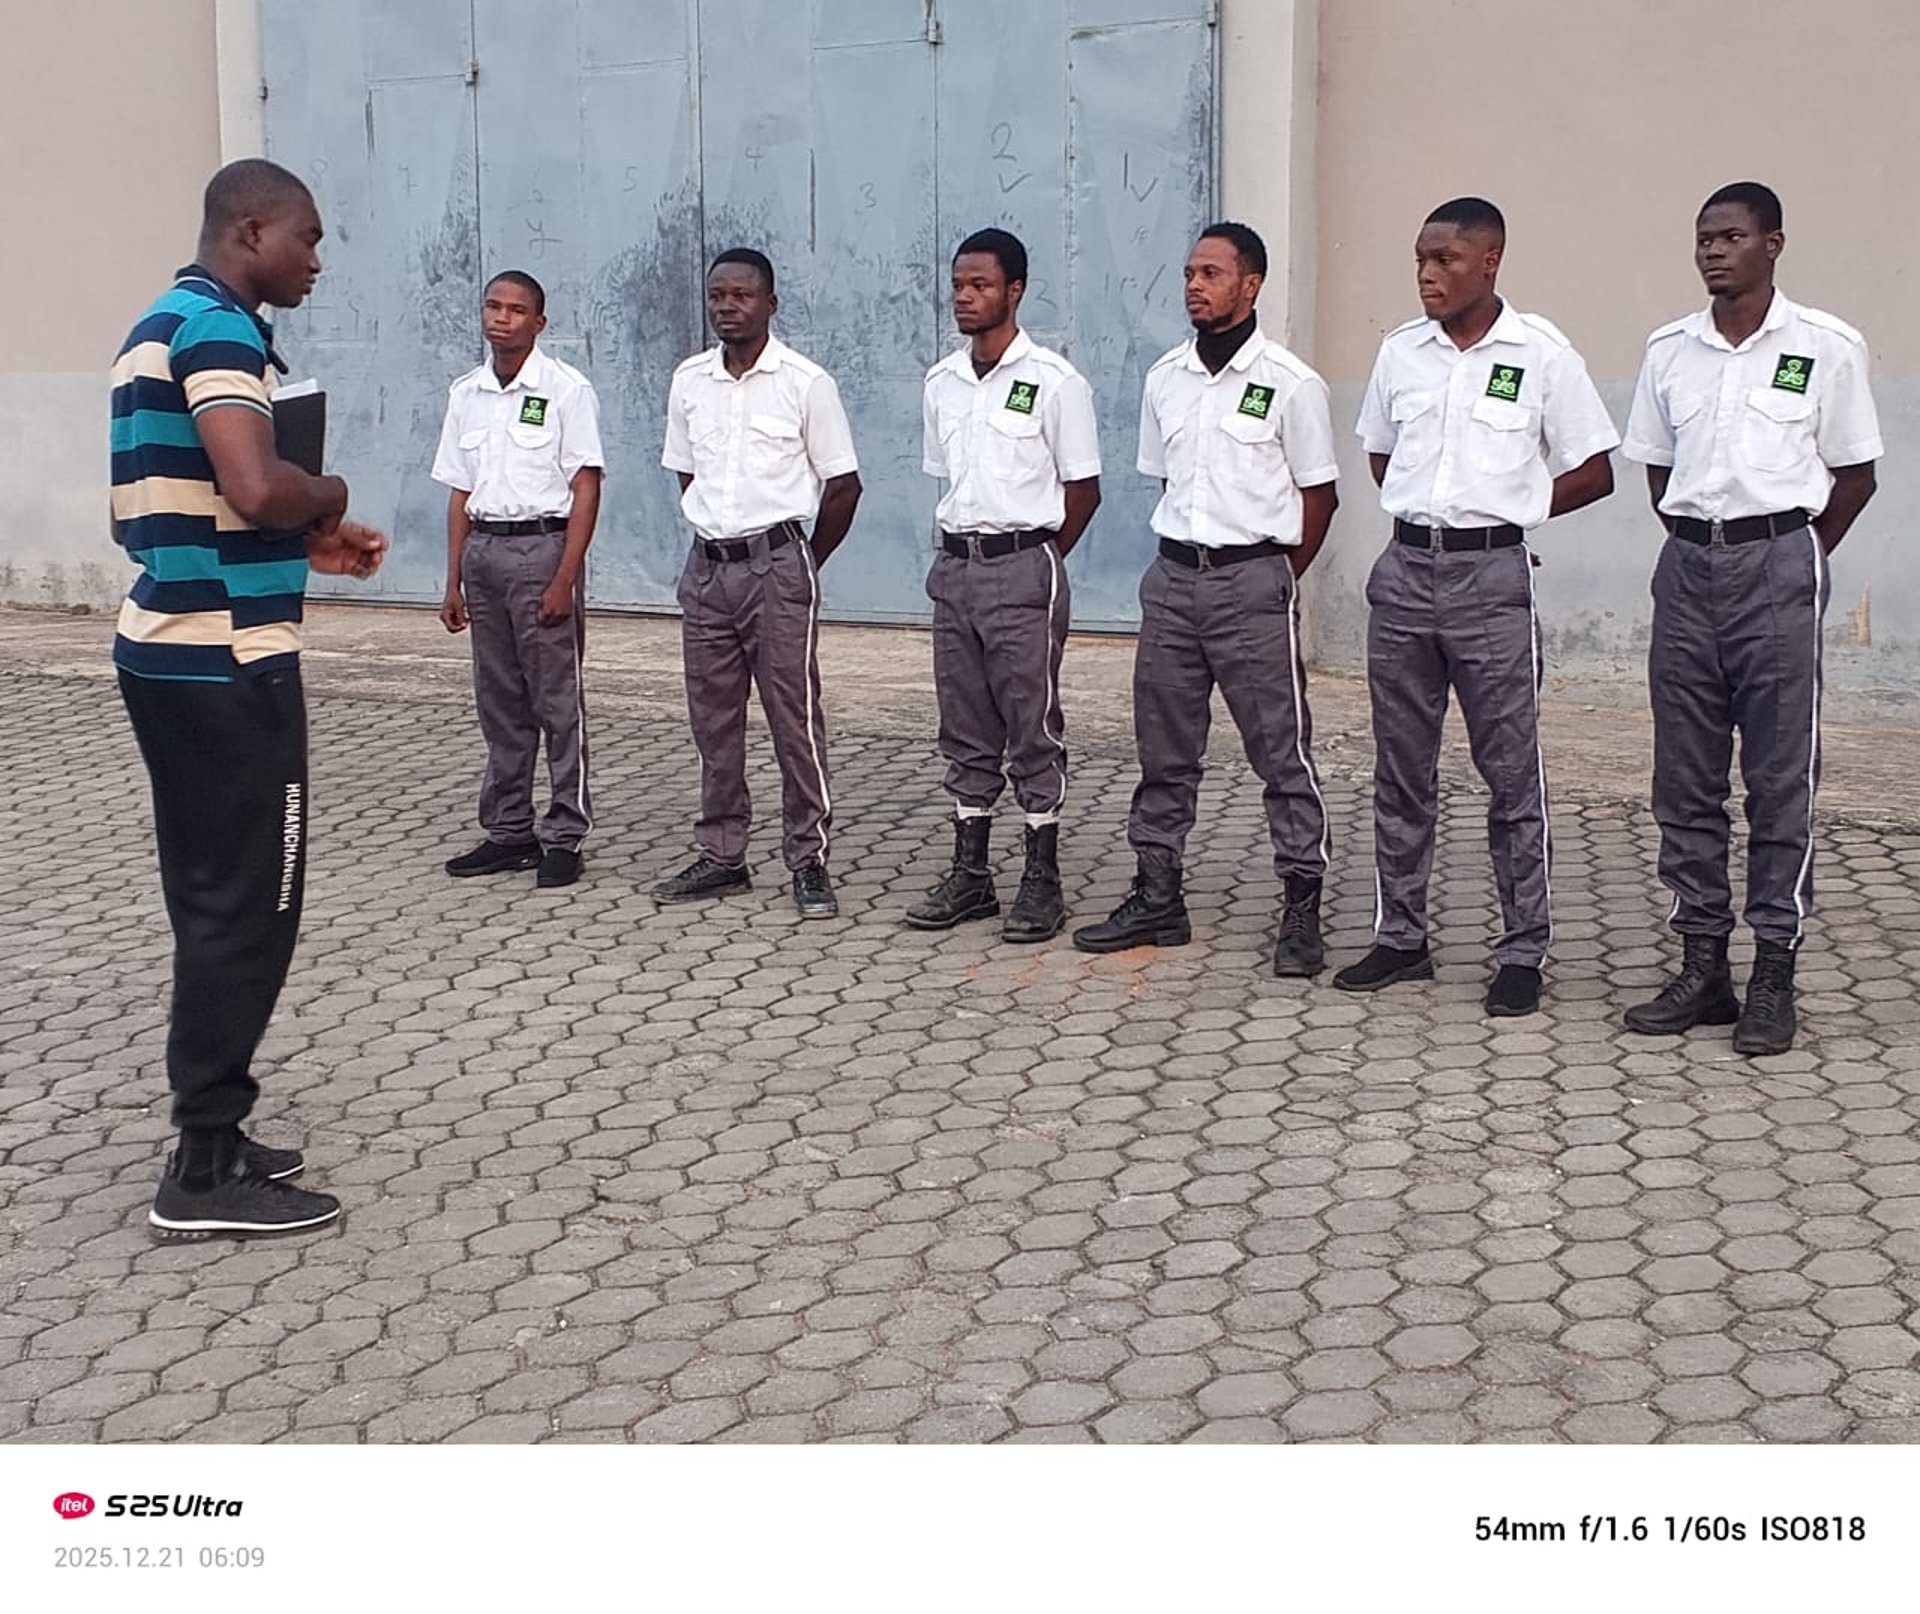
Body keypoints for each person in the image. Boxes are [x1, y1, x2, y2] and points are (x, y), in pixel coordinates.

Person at [111, 159, 388, 1241]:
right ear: (253, 226)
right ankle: (203, 1164)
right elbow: (256, 484)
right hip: (227, 665)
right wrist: (327, 494)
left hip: (169, 647)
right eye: (308, 239)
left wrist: (308, 546)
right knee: (253, 906)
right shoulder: (220, 331)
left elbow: (206, 513)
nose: (317, 261)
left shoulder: (160, 323)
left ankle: (214, 1134)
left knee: (210, 898)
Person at [1333, 197, 1619, 1017]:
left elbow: (1595, 467)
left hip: (1492, 582)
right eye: (1420, 260)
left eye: (1445, 261)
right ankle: (1400, 938)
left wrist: (1512, 507)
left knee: (1510, 774)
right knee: (1401, 768)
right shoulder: (1401, 354)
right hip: (1406, 573)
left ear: (1490, 262)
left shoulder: (1540, 354)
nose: (1427, 275)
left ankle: (1523, 949)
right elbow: (1382, 453)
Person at [1620, 181, 1881, 1055]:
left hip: (1779, 565)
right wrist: (1707, 543)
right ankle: (1704, 967)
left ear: (1774, 244)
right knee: (1685, 781)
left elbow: (1855, 476)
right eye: (1703, 238)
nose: (1712, 252)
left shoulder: (1826, 347)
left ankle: (1775, 969)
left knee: (1779, 778)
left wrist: (1793, 556)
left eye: (1731, 237)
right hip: (1689, 567)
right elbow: (1658, 474)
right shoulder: (1670, 352)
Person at [1071, 222, 1338, 974]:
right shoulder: (1166, 378)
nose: (1195, 285)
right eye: (1190, 272)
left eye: (1212, 273)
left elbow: (1320, 496)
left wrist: (1276, 576)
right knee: (1163, 750)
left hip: (1251, 581)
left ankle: (1302, 904)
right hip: (1172, 584)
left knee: (1281, 752)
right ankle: (1158, 893)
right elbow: (1166, 479)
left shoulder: (1290, 384)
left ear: (1250, 285)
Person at [654, 248, 863, 918]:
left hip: (778, 568)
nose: (727, 306)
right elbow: (687, 474)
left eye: (742, 295)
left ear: (770, 304)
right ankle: (722, 855)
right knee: (713, 720)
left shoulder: (805, 382)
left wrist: (800, 562)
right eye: (717, 295)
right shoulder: (689, 381)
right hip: (707, 568)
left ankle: (809, 859)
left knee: (793, 718)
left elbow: (844, 485)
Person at [908, 227, 1102, 943]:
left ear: (1014, 291)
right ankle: (972, 873)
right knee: (964, 720)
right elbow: (947, 478)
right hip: (956, 566)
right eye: (959, 283)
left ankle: (1041, 875)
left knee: (1031, 720)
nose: (965, 296)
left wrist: (1036, 559)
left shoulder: (1054, 382)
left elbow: (1083, 490)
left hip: (1024, 565)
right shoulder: (942, 383)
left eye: (981, 284)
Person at [433, 270, 605, 889]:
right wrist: (452, 578)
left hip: (541, 551)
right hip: (485, 553)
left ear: (539, 323)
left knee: (556, 702)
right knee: (499, 702)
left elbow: (586, 486)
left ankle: (565, 833)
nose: (501, 318)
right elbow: (459, 490)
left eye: (516, 310)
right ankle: (509, 831)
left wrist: (565, 577)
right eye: (492, 306)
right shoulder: (466, 394)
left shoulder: (565, 390)